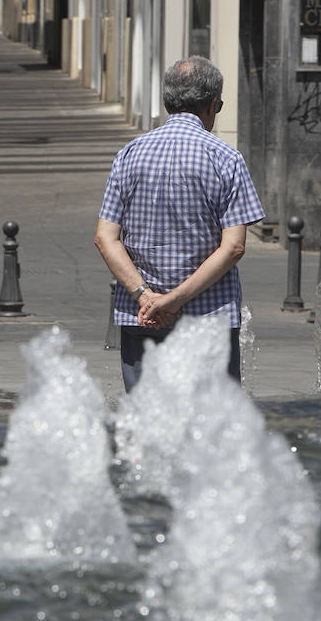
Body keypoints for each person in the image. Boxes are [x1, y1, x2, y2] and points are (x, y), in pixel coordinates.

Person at [93, 55, 265, 391]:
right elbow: (233, 247)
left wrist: (146, 297)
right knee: (210, 427)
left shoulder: (130, 154)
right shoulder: (226, 159)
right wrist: (175, 300)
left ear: (166, 102)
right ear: (213, 105)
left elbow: (105, 238)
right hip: (208, 316)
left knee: (147, 421)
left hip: (141, 316)